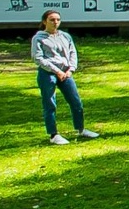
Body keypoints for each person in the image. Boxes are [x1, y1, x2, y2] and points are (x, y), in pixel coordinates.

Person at [31, 11, 99, 145]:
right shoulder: (38, 38)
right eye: (52, 20)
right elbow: (38, 58)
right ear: (45, 21)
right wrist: (56, 71)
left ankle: (80, 128)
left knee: (76, 101)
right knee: (50, 103)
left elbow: (73, 52)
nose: (55, 22)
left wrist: (71, 69)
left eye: (57, 20)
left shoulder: (65, 36)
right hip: (48, 73)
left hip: (65, 72)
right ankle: (53, 134)